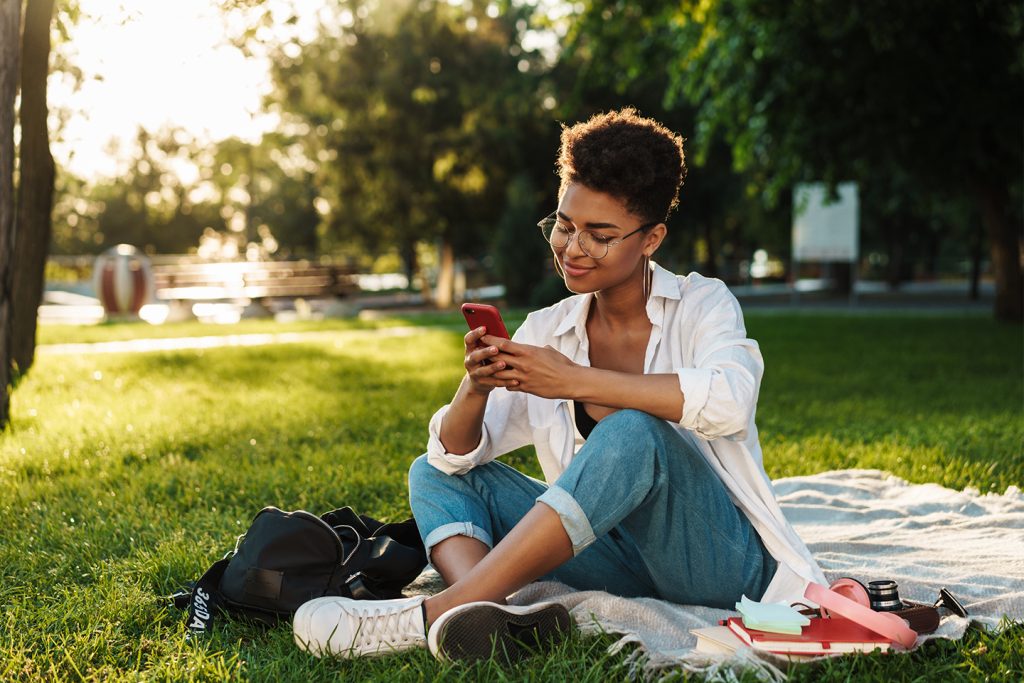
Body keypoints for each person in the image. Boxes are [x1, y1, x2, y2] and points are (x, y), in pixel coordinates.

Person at [292, 108, 826, 663]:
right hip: (612, 558)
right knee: (432, 471)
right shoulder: (548, 329)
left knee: (633, 432)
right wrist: (475, 387)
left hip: (716, 564)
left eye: (600, 236)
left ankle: (436, 614)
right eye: (565, 226)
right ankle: (488, 617)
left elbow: (729, 402)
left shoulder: (702, 303)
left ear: (652, 238)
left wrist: (574, 380)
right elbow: (453, 456)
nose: (572, 248)